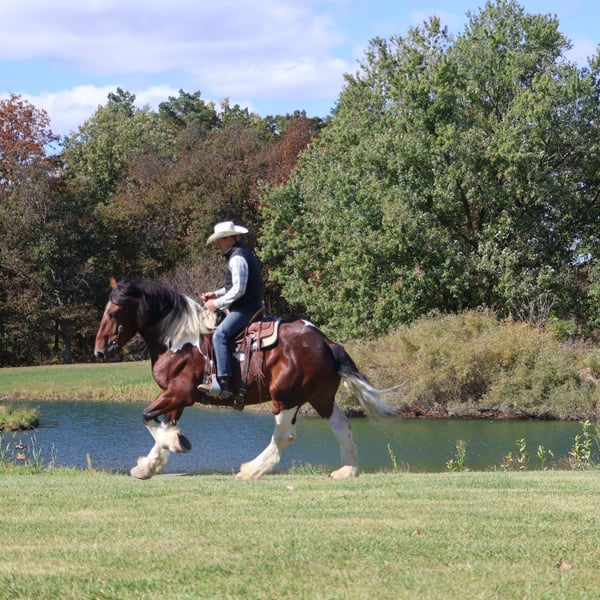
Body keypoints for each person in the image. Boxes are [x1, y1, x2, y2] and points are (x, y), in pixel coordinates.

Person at [197, 221, 264, 400]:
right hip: (248, 306)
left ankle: (223, 383)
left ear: (228, 238)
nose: (218, 244)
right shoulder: (240, 253)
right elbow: (234, 286)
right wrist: (215, 293)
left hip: (246, 309)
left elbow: (239, 290)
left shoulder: (237, 258)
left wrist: (216, 303)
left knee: (219, 335)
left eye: (219, 240)